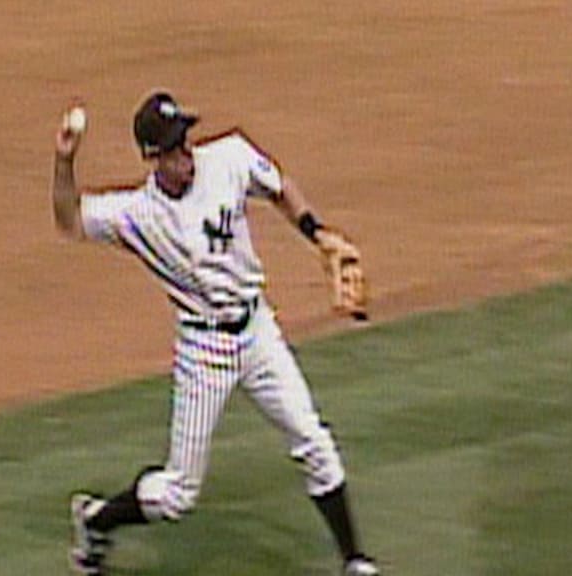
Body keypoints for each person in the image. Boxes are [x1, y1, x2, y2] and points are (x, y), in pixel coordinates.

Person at [51, 90, 379, 576]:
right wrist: (64, 159)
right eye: (173, 147)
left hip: (258, 330)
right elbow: (69, 219)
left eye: (185, 139)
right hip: (204, 351)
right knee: (179, 494)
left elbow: (279, 187)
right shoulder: (136, 215)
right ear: (152, 158)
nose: (186, 153)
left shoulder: (228, 158)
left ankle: (355, 562)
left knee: (314, 442)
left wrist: (318, 233)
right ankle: (97, 520)